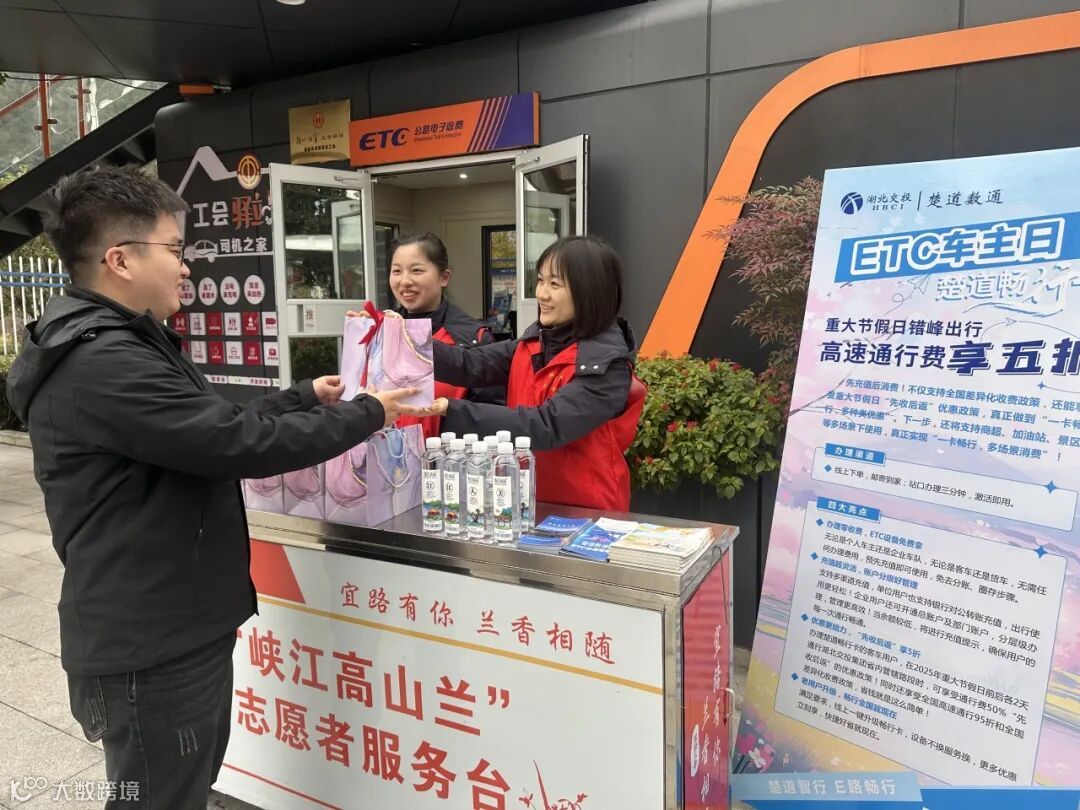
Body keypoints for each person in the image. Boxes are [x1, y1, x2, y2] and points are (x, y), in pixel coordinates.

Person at [4, 165, 424, 809]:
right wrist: (368, 413)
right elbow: (236, 445)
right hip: (152, 641)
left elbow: (204, 427)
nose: (186, 266)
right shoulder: (104, 361)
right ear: (120, 259)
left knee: (179, 790)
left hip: (168, 619)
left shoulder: (122, 343)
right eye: (174, 249)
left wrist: (299, 398)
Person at [421, 235, 646, 511]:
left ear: (589, 292)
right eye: (540, 280)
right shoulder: (533, 344)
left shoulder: (607, 365)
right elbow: (470, 363)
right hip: (527, 504)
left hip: (587, 512)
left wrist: (452, 410)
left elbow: (546, 425)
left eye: (555, 284)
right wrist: (411, 343)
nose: (542, 294)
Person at [388, 232, 502, 438]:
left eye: (416, 270)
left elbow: (490, 416)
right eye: (397, 271)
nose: (404, 281)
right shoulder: (382, 331)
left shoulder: (474, 338)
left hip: (447, 455)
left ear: (444, 277)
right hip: (386, 454)